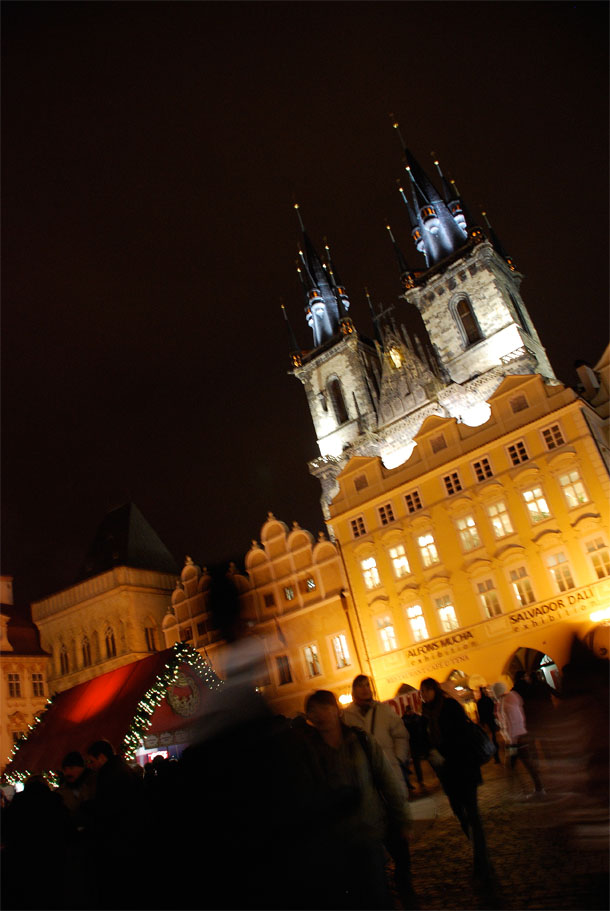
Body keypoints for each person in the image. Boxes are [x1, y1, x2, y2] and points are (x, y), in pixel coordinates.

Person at [303, 689, 417, 910]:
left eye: (324, 707)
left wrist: (403, 819)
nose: (319, 714)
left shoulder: (360, 740)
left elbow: (387, 779)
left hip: (368, 831)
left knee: (378, 895)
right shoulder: (310, 753)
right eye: (313, 710)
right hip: (336, 840)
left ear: (337, 710)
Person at [420, 677, 493, 884]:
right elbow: (425, 738)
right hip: (447, 773)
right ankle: (478, 851)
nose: (424, 694)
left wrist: (442, 751)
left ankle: (482, 861)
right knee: (460, 813)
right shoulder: (425, 713)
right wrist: (430, 751)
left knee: (472, 814)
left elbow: (460, 736)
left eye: (427, 690)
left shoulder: (450, 706)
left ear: (435, 690)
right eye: (422, 691)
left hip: (464, 768)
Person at [342, 674, 410, 798]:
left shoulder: (384, 710)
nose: (365, 689)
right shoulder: (347, 716)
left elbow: (400, 735)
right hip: (364, 773)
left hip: (390, 767)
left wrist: (398, 758)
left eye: (367, 685)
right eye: (360, 686)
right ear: (354, 690)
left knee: (397, 801)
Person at [492, 681, 545, 798]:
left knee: (520, 764)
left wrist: (511, 741)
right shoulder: (511, 698)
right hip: (519, 736)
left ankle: (536, 789)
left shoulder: (505, 703)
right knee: (517, 764)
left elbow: (511, 723)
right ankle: (527, 789)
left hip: (517, 739)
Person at [401, 703, 428, 789]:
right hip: (413, 743)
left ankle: (419, 780)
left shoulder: (406, 720)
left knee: (417, 762)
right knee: (416, 763)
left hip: (417, 742)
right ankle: (419, 780)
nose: (410, 711)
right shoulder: (412, 718)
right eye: (409, 710)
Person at [476, 687, 501, 764]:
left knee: (489, 737)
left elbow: (480, 713)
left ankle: (494, 755)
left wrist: (481, 722)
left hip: (485, 721)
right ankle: (496, 754)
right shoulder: (489, 699)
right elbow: (493, 709)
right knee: (494, 736)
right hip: (491, 719)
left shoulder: (479, 702)